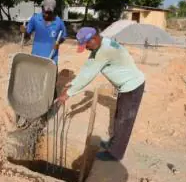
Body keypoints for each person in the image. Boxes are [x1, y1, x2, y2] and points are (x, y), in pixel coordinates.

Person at [57, 27, 145, 161]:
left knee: (124, 121)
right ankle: (113, 144)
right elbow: (87, 68)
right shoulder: (101, 46)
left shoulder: (104, 51)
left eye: (87, 44)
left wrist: (68, 93)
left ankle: (115, 154)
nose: (86, 48)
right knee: (118, 117)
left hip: (132, 87)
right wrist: (73, 84)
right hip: (126, 86)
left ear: (95, 38)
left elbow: (88, 75)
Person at [20, 0, 67, 64]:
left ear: (54, 11)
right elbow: (27, 36)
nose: (47, 15)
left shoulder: (59, 22)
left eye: (49, 13)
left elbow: (63, 36)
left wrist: (58, 42)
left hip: (52, 59)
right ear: (42, 8)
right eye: (45, 12)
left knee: (51, 74)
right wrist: (24, 31)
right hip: (36, 57)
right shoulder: (35, 19)